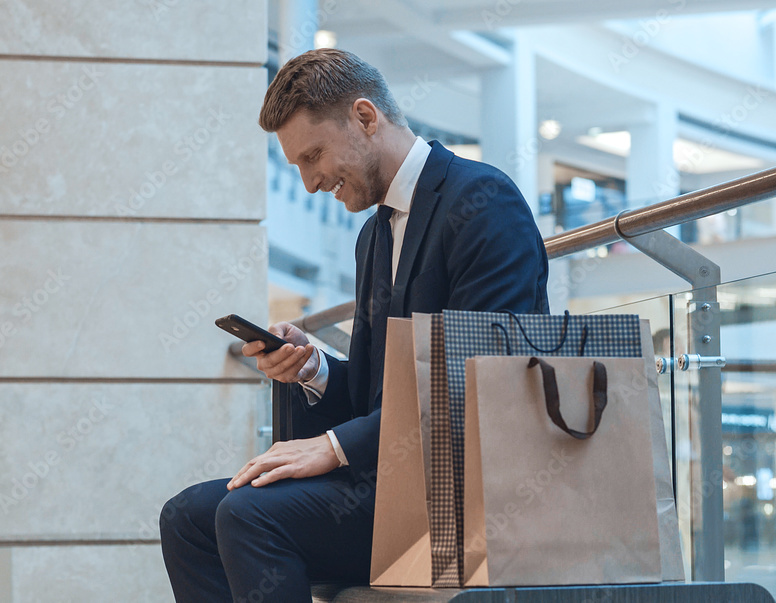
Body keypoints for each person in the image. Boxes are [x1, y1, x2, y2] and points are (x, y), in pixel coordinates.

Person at [160, 48, 550, 602]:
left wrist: (334, 446)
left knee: (251, 515)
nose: (311, 183)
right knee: (186, 518)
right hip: (389, 482)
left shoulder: (484, 202)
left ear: (366, 118)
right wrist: (315, 370)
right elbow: (378, 397)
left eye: (313, 155)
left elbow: (480, 384)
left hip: (462, 493)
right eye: (298, 165)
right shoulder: (375, 236)